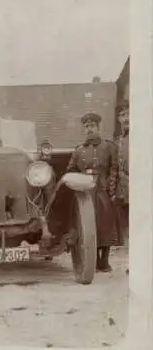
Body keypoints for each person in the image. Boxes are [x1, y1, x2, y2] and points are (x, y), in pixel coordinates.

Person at [66, 112, 118, 272]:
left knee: (106, 224)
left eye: (92, 126)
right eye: (87, 126)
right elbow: (70, 171)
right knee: (90, 225)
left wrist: (111, 189)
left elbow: (114, 169)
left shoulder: (109, 147)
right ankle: (93, 260)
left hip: (103, 190)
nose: (89, 129)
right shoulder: (79, 150)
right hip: (85, 194)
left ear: (98, 127)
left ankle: (105, 260)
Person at [115, 99, 129, 246]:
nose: (126, 118)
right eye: (123, 115)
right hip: (123, 189)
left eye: (129, 114)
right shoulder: (118, 139)